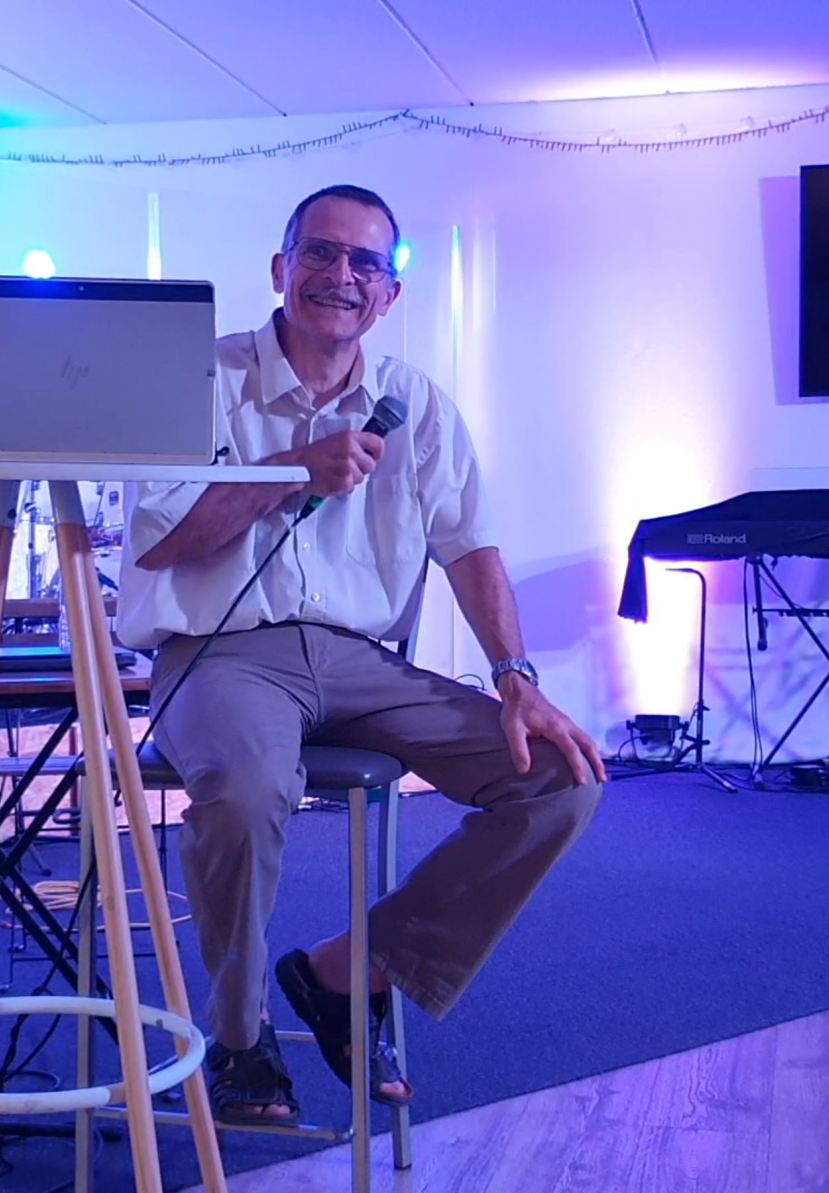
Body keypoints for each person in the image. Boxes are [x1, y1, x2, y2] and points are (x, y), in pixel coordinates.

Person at [117, 184, 606, 1126]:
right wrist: (289, 471)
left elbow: (469, 547)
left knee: (559, 777)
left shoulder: (416, 404)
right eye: (320, 252)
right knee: (248, 790)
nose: (339, 276)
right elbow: (160, 545)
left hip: (355, 658)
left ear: (387, 295)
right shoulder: (200, 380)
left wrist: (516, 678)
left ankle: (345, 973)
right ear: (280, 267)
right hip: (219, 651)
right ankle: (238, 1036)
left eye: (364, 264)